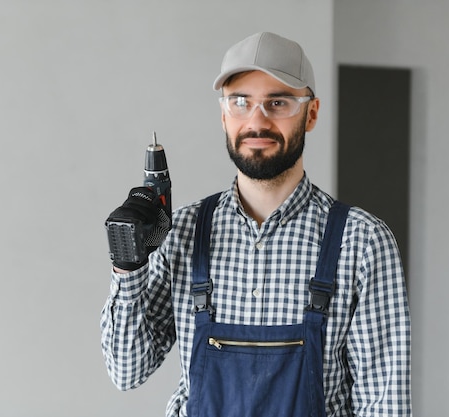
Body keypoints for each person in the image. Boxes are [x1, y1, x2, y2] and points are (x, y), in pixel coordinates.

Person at [100, 32, 411, 417]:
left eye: (277, 103)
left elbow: (385, 405)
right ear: (224, 115)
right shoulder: (182, 232)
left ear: (311, 114)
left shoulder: (362, 242)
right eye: (240, 102)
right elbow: (126, 370)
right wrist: (128, 266)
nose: (256, 120)